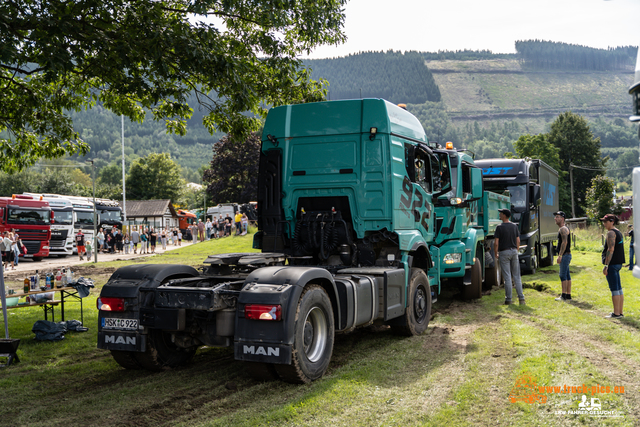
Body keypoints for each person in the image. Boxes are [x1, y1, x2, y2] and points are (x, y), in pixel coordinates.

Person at [494, 208, 525, 305]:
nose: (499, 214)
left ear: (504, 215)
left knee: (507, 277)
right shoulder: (514, 226)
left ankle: (509, 299)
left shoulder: (499, 227)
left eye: (500, 213)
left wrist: (496, 253)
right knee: (517, 276)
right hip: (514, 251)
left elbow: (496, 243)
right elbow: (518, 240)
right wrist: (516, 249)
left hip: (504, 252)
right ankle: (521, 299)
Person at [601, 214, 625, 318]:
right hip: (618, 264)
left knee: (614, 289)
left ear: (612, 222)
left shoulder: (611, 233)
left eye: (606, 222)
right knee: (619, 288)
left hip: (612, 264)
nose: (604, 224)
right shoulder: (618, 232)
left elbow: (610, 249)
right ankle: (619, 312)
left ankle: (616, 314)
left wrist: (606, 265)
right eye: (603, 222)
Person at [554, 211, 572, 302]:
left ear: (562, 218)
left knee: (562, 275)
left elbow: (564, 242)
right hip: (566, 255)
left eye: (557, 217)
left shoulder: (563, 229)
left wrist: (560, 255)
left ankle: (563, 296)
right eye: (555, 217)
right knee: (567, 275)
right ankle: (568, 295)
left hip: (565, 255)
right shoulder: (562, 228)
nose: (555, 218)